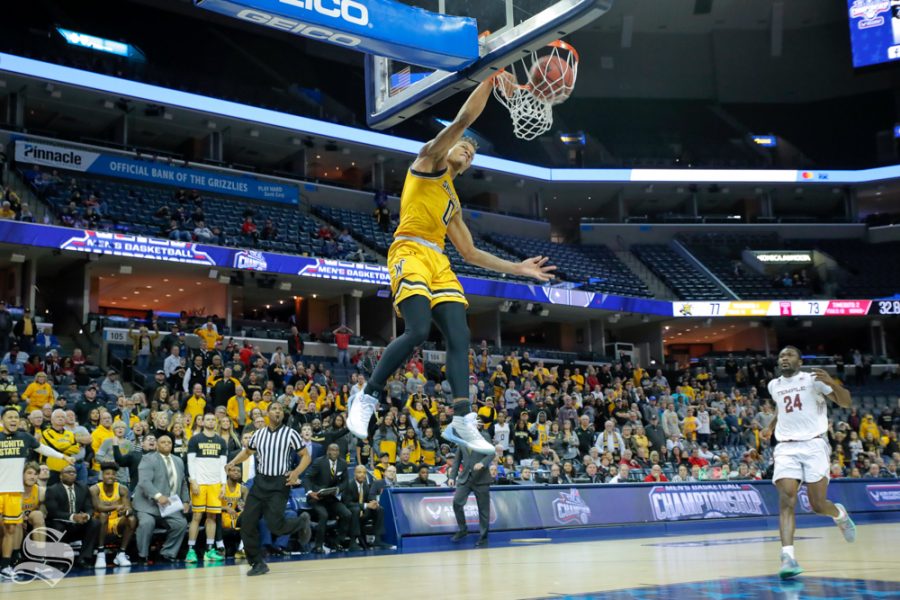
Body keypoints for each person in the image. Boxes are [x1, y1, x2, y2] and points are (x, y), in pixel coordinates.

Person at [346, 75, 555, 454]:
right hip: (408, 250)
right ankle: (368, 397)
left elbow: (472, 254)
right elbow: (461, 121)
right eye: (464, 147)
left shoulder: (453, 201)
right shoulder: (428, 161)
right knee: (419, 330)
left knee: (461, 337)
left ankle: (461, 420)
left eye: (473, 154)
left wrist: (519, 269)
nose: (468, 152)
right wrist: (490, 81)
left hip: (438, 260)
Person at [762, 346, 856, 580]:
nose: (784, 358)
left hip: (814, 445)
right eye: (781, 355)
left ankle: (839, 514)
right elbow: (782, 409)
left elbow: (846, 403)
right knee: (787, 498)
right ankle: (787, 557)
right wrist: (771, 425)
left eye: (789, 355)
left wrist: (832, 384)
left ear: (799, 361)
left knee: (817, 504)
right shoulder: (774, 385)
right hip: (785, 447)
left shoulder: (813, 379)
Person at [225, 403, 312, 576]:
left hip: (279, 484)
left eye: (280, 409)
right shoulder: (258, 434)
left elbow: (306, 456)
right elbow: (247, 453)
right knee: (246, 523)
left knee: (275, 525)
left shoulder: (291, 433)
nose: (277, 411)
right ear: (267, 413)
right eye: (274, 409)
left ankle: (301, 522)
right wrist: (233, 462)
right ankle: (257, 563)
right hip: (260, 483)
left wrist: (295, 472)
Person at [0, 407, 73, 579]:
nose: (13, 420)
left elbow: (43, 449)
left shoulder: (25, 437)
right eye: (9, 417)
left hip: (13, 492)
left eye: (16, 417)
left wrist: (63, 457)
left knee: (11, 530)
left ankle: (5, 566)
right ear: (2, 420)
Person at [132, 433, 191, 564]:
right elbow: (144, 481)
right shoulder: (148, 459)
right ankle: (142, 555)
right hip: (148, 504)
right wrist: (158, 496)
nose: (166, 444)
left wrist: (186, 501)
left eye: (169, 442)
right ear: (157, 445)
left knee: (180, 524)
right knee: (147, 523)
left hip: (169, 505)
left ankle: (167, 553)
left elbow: (183, 482)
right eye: (163, 442)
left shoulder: (178, 460)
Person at [185, 413, 228, 563]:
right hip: (200, 483)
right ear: (203, 422)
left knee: (212, 517)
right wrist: (194, 481)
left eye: (213, 419)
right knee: (196, 516)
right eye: (207, 419)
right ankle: (191, 551)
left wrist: (223, 484)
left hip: (215, 484)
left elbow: (224, 465)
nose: (210, 422)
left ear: (216, 422)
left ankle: (209, 550)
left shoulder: (221, 441)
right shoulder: (195, 439)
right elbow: (190, 462)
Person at [45, 464, 101, 569]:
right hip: (61, 523)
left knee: (94, 522)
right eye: (68, 472)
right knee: (57, 526)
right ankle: (58, 562)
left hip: (78, 524)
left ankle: (84, 558)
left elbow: (89, 507)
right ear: (61, 476)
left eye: (74, 472)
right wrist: (73, 517)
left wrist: (86, 516)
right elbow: (53, 512)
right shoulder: (52, 490)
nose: (72, 474)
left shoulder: (83, 488)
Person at [304, 443, 352, 552]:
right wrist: (310, 492)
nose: (334, 452)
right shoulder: (319, 462)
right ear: (327, 451)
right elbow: (307, 478)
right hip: (317, 497)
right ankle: (318, 545)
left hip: (331, 497)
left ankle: (336, 542)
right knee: (323, 515)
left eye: (336, 450)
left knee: (347, 514)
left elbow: (345, 482)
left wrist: (338, 489)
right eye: (332, 450)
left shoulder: (343, 463)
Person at [89, 463, 136, 568]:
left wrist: (126, 511)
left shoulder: (122, 488)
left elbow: (128, 508)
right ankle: (101, 553)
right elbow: (98, 507)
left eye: (113, 474)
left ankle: (121, 553)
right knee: (103, 514)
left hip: (115, 522)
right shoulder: (94, 489)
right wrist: (116, 506)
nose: (110, 476)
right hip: (99, 523)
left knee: (131, 519)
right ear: (102, 475)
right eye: (107, 474)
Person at [448, 442, 493, 547]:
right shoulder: (462, 440)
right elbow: (457, 460)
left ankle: (483, 538)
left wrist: (483, 463)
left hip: (481, 478)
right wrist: (452, 477)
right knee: (457, 502)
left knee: (483, 510)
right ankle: (463, 529)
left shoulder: (482, 437)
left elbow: (492, 453)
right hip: (465, 478)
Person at [342, 464, 388, 550]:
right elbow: (347, 503)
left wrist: (373, 502)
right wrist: (366, 505)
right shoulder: (348, 485)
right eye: (359, 472)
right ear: (354, 473)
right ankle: (353, 542)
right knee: (355, 510)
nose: (362, 475)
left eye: (364, 473)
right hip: (351, 511)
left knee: (379, 509)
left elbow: (368, 498)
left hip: (363, 511)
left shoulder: (365, 485)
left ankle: (377, 539)